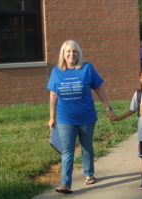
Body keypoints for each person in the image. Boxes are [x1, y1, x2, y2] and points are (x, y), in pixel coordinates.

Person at [47, 40, 115, 194]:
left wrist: (108, 108)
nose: (72, 54)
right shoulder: (56, 72)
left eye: (75, 51)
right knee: (67, 151)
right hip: (65, 119)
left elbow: (100, 89)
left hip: (86, 117)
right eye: (68, 52)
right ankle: (66, 184)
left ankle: (89, 174)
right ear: (63, 54)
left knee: (86, 147)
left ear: (79, 53)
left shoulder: (87, 68)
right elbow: (53, 95)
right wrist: (52, 117)